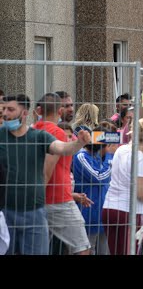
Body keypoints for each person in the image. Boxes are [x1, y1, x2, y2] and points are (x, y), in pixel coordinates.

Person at [0, 94, 91, 255]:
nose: (5, 113)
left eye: (10, 109)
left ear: (26, 113)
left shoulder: (37, 134)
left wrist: (79, 143)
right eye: (4, 109)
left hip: (36, 209)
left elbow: (62, 148)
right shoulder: (3, 136)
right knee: (81, 248)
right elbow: (46, 171)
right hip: (18, 209)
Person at [32, 93, 92, 255]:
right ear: (59, 111)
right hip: (57, 200)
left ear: (39, 110)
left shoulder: (32, 131)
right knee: (82, 248)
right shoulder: (56, 132)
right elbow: (47, 169)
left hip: (41, 199)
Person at [102, 118, 143, 255]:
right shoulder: (142, 159)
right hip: (130, 211)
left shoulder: (120, 150)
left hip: (110, 207)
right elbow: (140, 192)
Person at [73, 124, 117, 255]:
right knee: (89, 248)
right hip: (88, 211)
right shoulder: (81, 156)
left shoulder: (97, 156)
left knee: (105, 249)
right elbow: (99, 177)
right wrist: (110, 158)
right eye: (109, 145)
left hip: (102, 211)